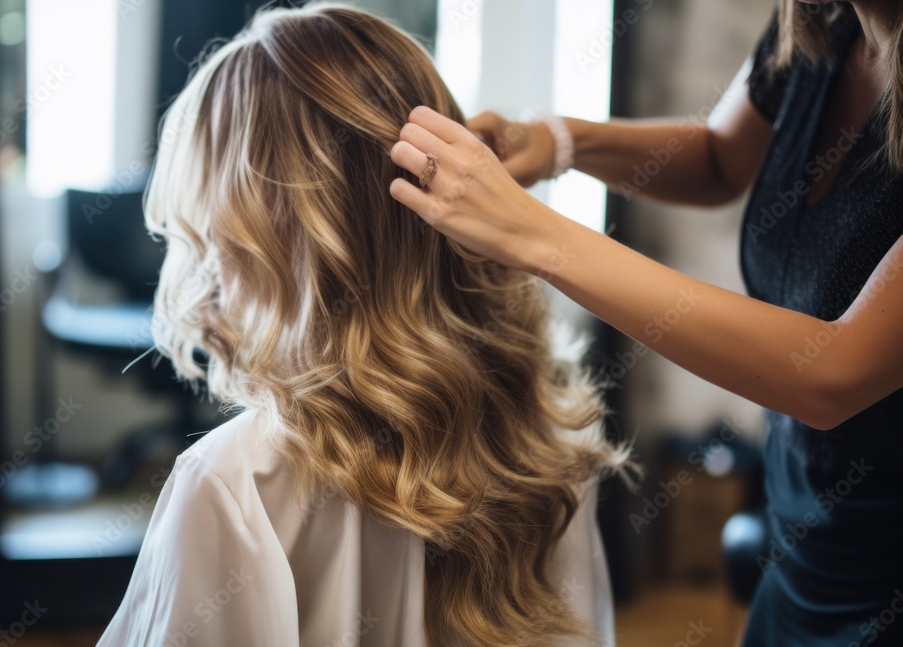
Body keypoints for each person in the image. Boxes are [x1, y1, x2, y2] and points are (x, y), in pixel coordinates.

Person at [96, 4, 629, 646]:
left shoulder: (232, 483)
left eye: (212, 221)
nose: (209, 256)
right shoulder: (551, 438)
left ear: (268, 230)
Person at [389, 1, 903, 646]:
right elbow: (719, 158)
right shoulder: (823, 20)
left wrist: (534, 236)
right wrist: (554, 142)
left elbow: (835, 374)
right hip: (806, 528)